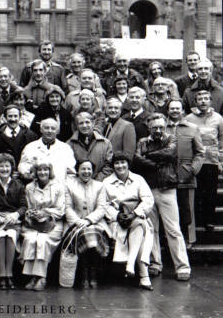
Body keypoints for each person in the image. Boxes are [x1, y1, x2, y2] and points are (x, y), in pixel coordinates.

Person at [135, 113, 191, 281]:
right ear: (149, 127)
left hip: (167, 189)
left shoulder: (171, 139)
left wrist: (149, 156)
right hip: (149, 190)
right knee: (152, 229)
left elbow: (170, 153)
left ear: (165, 126)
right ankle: (155, 263)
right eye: (154, 127)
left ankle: (182, 266)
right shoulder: (142, 142)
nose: (158, 130)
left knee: (173, 229)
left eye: (161, 127)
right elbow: (137, 159)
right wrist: (155, 161)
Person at [103, 153, 155, 291]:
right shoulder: (106, 182)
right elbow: (104, 204)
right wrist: (117, 215)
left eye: (123, 162)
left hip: (136, 216)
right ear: (113, 166)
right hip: (116, 221)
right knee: (139, 229)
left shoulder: (138, 179)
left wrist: (134, 214)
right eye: (117, 163)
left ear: (128, 164)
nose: (120, 166)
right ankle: (144, 277)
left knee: (139, 224)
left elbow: (148, 199)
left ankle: (130, 263)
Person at [64, 161, 111, 288]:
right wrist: (77, 221)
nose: (86, 172)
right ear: (77, 171)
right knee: (86, 234)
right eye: (83, 169)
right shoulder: (69, 185)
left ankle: (93, 272)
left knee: (92, 234)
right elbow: (67, 207)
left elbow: (101, 208)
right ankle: (85, 273)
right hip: (76, 224)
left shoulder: (99, 186)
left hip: (95, 222)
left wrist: (89, 220)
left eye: (89, 169)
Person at [20, 161, 65, 291]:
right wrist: (33, 213)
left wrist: (45, 213)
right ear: (35, 172)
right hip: (33, 223)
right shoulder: (29, 187)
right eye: (39, 170)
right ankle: (34, 276)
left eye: (46, 169)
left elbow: (61, 210)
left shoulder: (58, 187)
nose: (42, 172)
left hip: (53, 222)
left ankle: (40, 277)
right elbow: (27, 207)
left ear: (50, 171)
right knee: (30, 239)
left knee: (43, 240)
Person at [166, 99, 204, 247]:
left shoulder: (192, 128)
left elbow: (200, 152)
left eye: (177, 108)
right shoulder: (162, 127)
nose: (175, 111)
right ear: (168, 111)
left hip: (186, 175)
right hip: (167, 176)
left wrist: (193, 169)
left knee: (187, 209)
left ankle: (189, 239)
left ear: (182, 111)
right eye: (172, 108)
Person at [0, 153, 27, 290]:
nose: (4, 169)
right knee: (1, 235)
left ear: (12, 168)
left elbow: (23, 206)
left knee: (10, 235)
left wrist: (16, 214)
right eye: (1, 166)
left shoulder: (19, 185)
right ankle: (2, 274)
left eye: (7, 166)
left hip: (12, 221)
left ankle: (9, 274)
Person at [185, 90, 223, 231]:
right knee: (197, 191)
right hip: (195, 160)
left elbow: (221, 140)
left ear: (210, 101)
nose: (202, 101)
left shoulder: (218, 118)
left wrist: (220, 161)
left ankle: (209, 220)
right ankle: (198, 220)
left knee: (211, 192)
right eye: (199, 99)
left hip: (211, 160)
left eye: (205, 98)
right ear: (195, 101)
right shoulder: (188, 118)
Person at [19, 118, 76, 184]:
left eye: (53, 128)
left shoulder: (65, 148)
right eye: (46, 128)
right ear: (41, 130)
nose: (49, 131)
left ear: (57, 131)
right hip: (37, 189)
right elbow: (23, 167)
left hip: (59, 189)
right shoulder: (30, 147)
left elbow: (71, 173)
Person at [67, 112, 113, 181]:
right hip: (77, 184)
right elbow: (68, 168)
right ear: (77, 126)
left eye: (87, 122)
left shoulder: (105, 143)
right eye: (81, 123)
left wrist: (96, 181)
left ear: (93, 123)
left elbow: (108, 166)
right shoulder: (69, 145)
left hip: (100, 184)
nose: (84, 126)